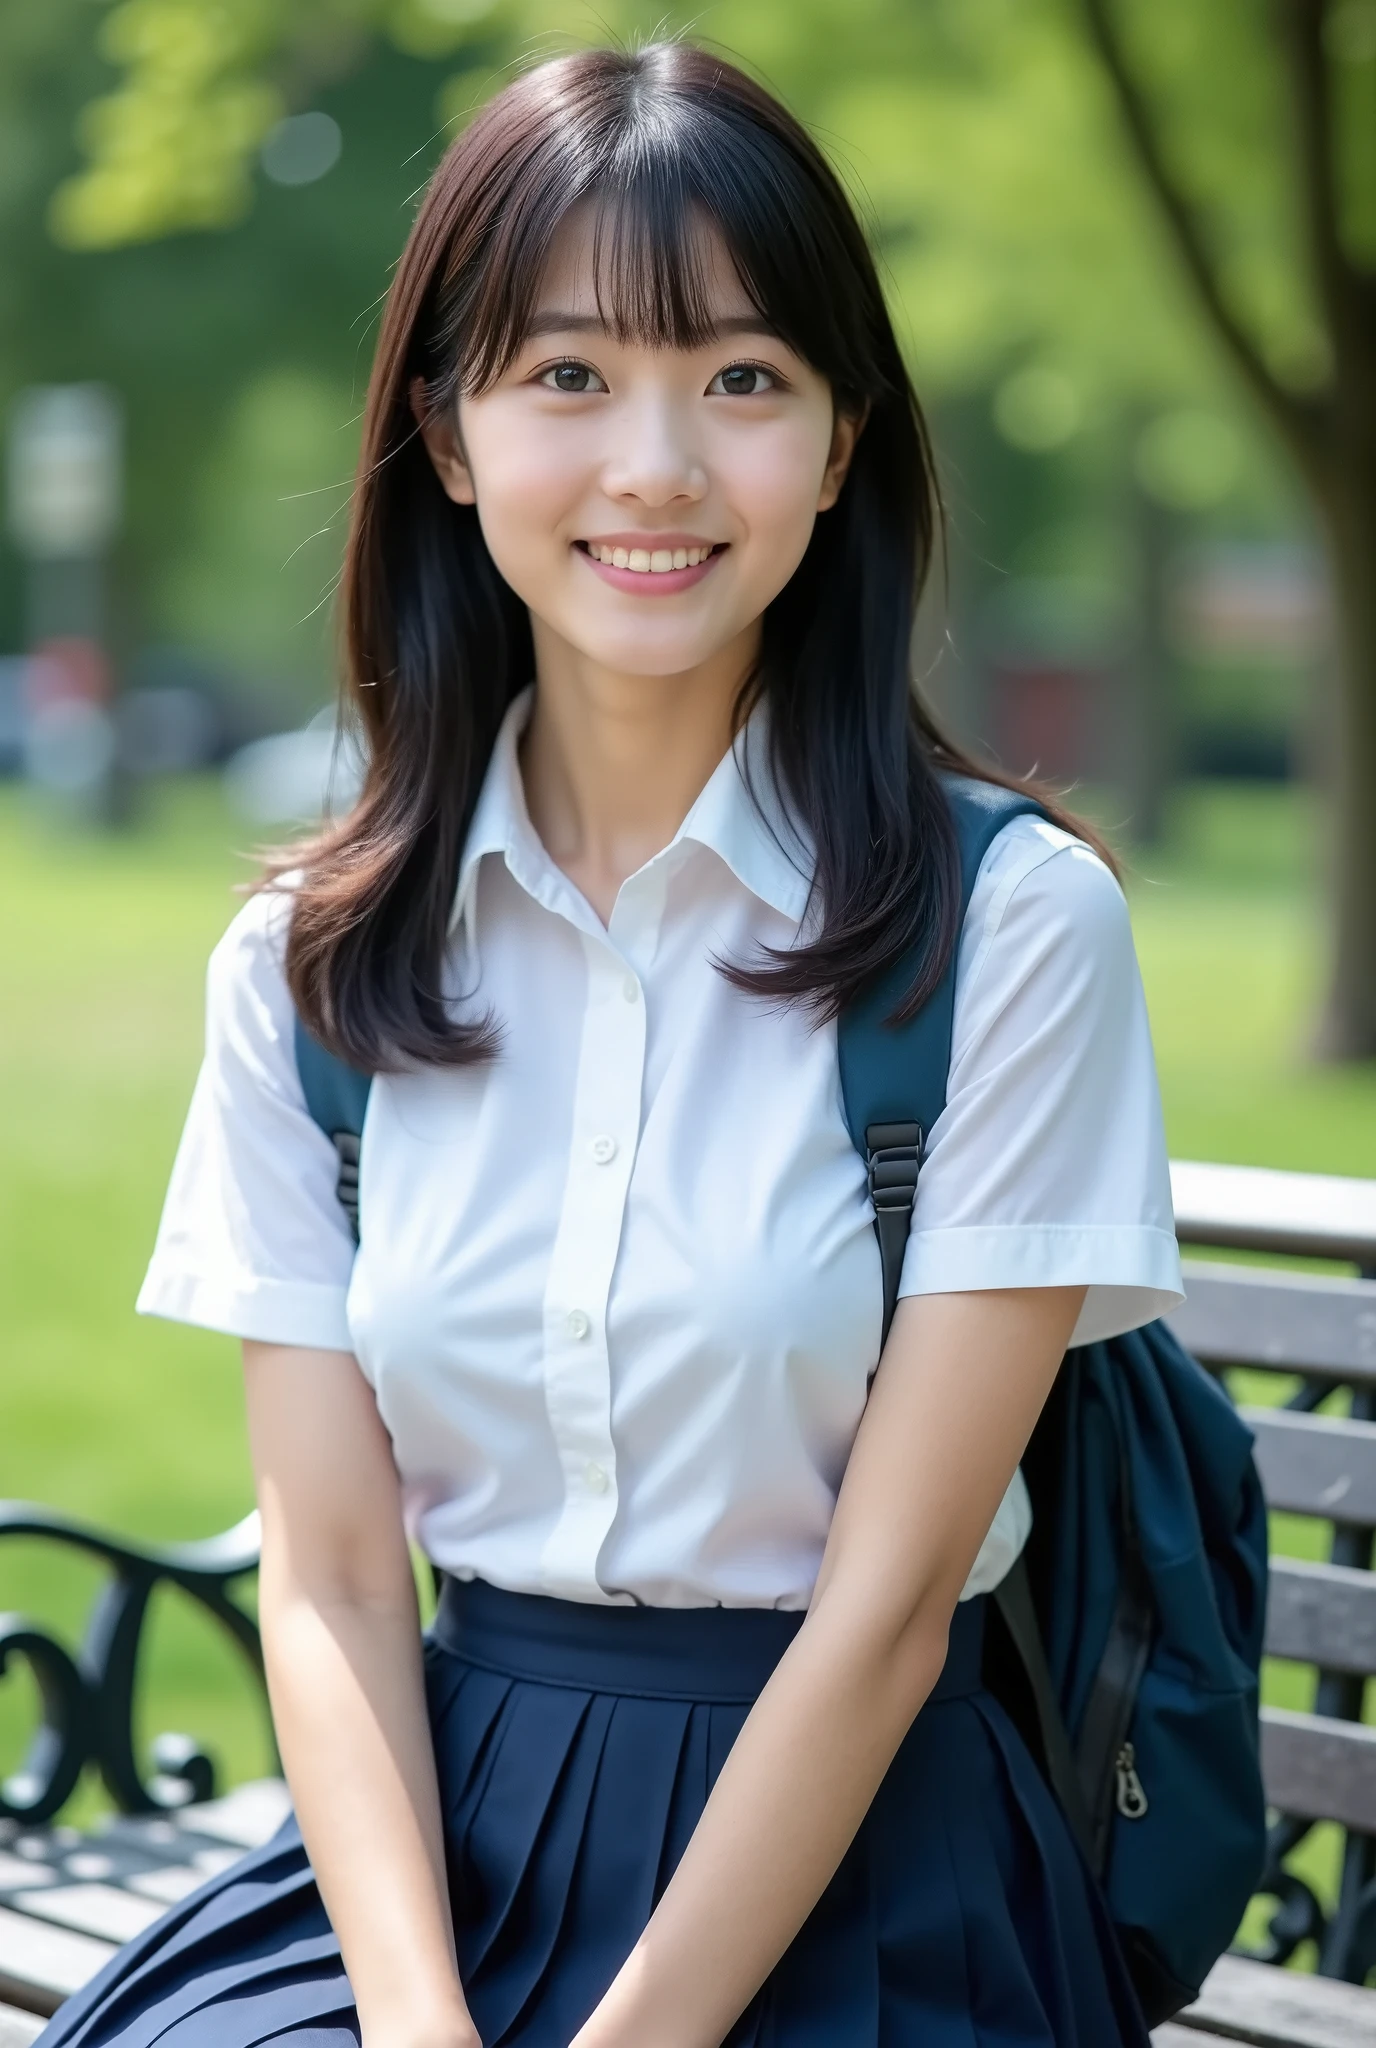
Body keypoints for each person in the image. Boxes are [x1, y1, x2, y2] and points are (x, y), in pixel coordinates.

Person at [41, 41, 1185, 2048]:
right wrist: (416, 2028)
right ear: (452, 434)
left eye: (743, 379)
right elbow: (319, 1580)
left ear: (840, 447)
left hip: (868, 1848)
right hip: (434, 1852)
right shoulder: (305, 970)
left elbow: (892, 1610)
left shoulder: (1008, 930)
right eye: (567, 375)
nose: (655, 464)